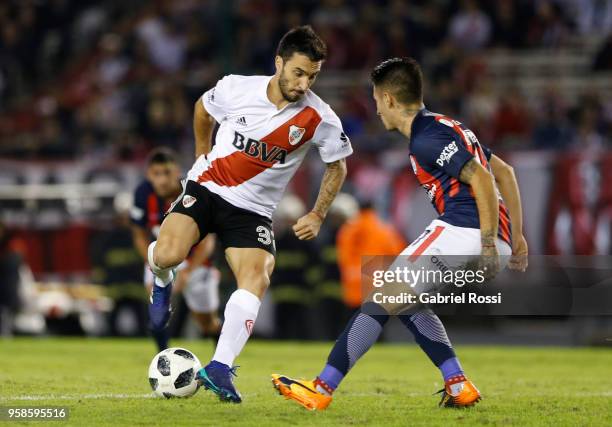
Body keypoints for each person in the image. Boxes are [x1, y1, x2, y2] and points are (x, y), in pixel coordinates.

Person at [272, 57, 529, 410]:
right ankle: (458, 385)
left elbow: (483, 179)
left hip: (463, 230)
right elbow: (506, 172)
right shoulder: (448, 125)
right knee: (408, 302)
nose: (377, 110)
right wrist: (513, 238)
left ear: (390, 99)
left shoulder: (426, 139)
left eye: (377, 100)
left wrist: (486, 242)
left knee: (381, 297)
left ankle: (321, 388)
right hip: (489, 236)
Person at [147, 25, 353, 403]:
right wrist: (199, 156)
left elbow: (337, 166)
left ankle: (220, 367)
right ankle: (161, 281)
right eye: (298, 72)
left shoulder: (320, 118)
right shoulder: (235, 87)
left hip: (253, 212)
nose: (304, 83)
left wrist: (318, 213)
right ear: (279, 63)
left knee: (256, 278)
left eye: (313, 75)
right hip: (208, 188)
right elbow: (202, 110)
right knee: (168, 255)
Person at [131, 148, 221, 351]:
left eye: (167, 173)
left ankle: (221, 357)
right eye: (156, 174)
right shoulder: (143, 193)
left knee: (206, 323)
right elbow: (138, 234)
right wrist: (151, 263)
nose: (162, 180)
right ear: (149, 175)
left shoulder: (192, 190)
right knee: (157, 312)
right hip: (162, 257)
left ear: (177, 171)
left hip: (197, 263)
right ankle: (162, 357)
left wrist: (188, 271)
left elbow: (208, 241)